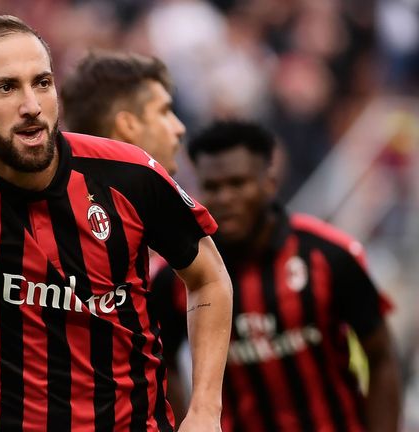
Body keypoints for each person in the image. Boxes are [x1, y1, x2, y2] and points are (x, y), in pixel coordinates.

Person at [0, 14, 232, 432]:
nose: (31, 105)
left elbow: (210, 276)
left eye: (42, 83)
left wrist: (204, 410)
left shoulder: (131, 174)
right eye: (6, 87)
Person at [156, 120, 401, 431]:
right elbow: (162, 366)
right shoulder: (180, 276)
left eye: (238, 183)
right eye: (212, 187)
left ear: (269, 182)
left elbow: (381, 356)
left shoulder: (329, 254)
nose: (225, 198)